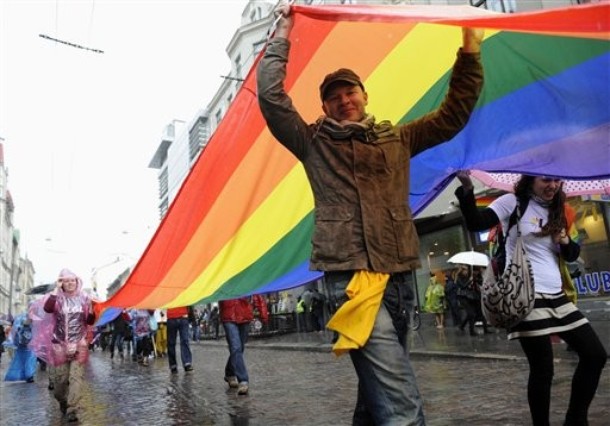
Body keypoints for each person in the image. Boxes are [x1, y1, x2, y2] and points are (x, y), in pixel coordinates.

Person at [257, 3, 484, 424]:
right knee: (399, 398)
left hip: (398, 275)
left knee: (377, 388)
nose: (344, 100)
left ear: (365, 96)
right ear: (324, 107)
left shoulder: (398, 138)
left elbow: (453, 115)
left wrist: (470, 51)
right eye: (334, 97)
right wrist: (283, 33)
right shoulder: (311, 142)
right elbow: (271, 99)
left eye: (350, 92)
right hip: (349, 278)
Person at [454, 171, 607, 425]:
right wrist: (468, 188)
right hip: (526, 296)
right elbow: (475, 222)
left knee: (595, 355)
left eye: (557, 180)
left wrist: (565, 240)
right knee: (543, 368)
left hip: (557, 296)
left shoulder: (558, 209)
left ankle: (575, 419)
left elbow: (571, 255)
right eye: (546, 180)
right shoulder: (512, 202)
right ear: (530, 180)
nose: (553, 185)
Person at [42, 269, 95, 423]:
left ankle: (72, 409)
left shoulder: (84, 298)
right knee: (60, 382)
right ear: (62, 283)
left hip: (80, 343)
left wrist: (91, 310)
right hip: (59, 344)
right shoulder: (56, 298)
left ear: (77, 282)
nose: (70, 283)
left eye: (73, 280)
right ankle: (63, 402)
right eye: (66, 281)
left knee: (76, 378)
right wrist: (55, 290)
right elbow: (47, 309)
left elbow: (90, 321)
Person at [219, 295, 269, 395]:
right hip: (229, 315)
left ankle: (230, 373)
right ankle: (243, 380)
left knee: (239, 348)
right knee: (236, 347)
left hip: (244, 314)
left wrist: (263, 313)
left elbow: (255, 293)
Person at [166, 306, 194, 373]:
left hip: (182, 316)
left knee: (184, 340)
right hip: (172, 316)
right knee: (171, 343)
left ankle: (187, 363)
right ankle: (173, 365)